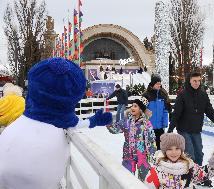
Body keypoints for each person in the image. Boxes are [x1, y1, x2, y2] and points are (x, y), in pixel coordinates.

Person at [0, 58, 112, 189]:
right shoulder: (62, 119)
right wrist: (94, 121)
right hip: (39, 177)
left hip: (6, 156)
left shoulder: (27, 116)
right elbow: (76, 123)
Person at [168, 71, 214, 187]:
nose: (197, 83)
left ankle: (198, 176)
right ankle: (189, 176)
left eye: (199, 81)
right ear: (189, 81)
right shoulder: (182, 95)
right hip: (183, 129)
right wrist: (170, 130)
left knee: (199, 154)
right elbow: (177, 114)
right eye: (195, 81)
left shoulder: (203, 95)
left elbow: (210, 113)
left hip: (196, 130)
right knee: (191, 154)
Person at [144, 133, 214, 189]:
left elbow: (202, 175)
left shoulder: (189, 166)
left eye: (177, 149)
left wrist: (213, 166)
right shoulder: (157, 170)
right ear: (164, 151)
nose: (174, 152)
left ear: (182, 150)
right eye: (170, 149)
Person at [107, 96, 157, 181]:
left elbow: (151, 139)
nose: (132, 108)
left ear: (141, 109)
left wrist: (153, 152)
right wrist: (108, 122)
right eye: (132, 105)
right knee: (127, 176)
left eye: (135, 106)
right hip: (128, 152)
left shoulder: (146, 124)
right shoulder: (126, 121)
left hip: (142, 153)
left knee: (143, 177)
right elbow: (115, 129)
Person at [143, 74, 171, 150]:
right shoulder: (146, 95)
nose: (159, 85)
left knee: (160, 148)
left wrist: (165, 122)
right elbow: (141, 110)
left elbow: (165, 111)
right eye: (157, 83)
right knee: (150, 148)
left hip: (160, 127)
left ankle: (159, 161)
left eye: (160, 83)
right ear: (153, 84)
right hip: (149, 127)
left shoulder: (163, 95)